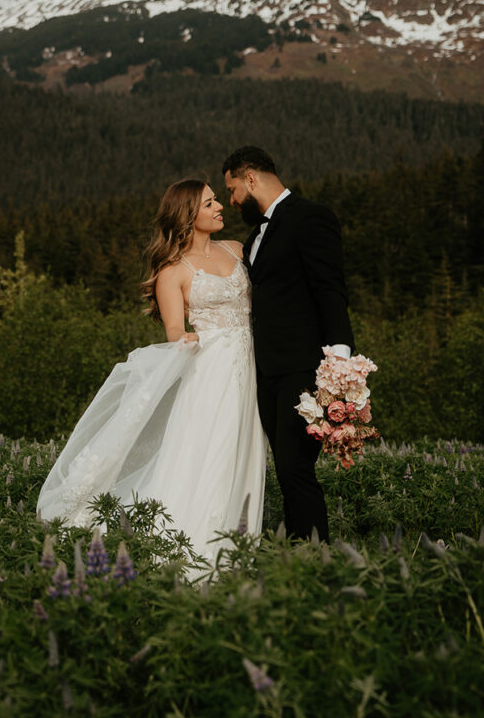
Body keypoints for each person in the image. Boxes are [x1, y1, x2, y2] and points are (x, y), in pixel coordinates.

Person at [36, 178, 266, 565]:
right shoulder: (173, 271)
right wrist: (184, 338)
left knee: (246, 450)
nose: (219, 208)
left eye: (215, 201)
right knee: (211, 452)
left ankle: (241, 544)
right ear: (189, 215)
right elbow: (174, 328)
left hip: (249, 368)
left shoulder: (238, 249)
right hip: (210, 374)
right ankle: (199, 549)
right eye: (209, 204)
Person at [223, 146, 354, 543]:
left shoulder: (310, 217)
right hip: (267, 372)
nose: (231, 201)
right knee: (285, 467)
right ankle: (298, 556)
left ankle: (317, 559)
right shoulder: (255, 236)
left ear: (250, 179)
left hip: (303, 368)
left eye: (231, 190)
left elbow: (330, 290)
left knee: (296, 467)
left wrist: (339, 364)